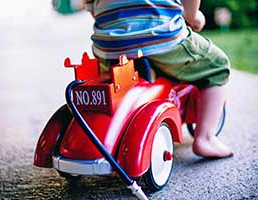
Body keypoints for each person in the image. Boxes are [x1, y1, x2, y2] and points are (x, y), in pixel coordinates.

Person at [84, 0, 233, 158]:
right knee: (218, 65)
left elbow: (90, 4)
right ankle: (206, 138)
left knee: (119, 83)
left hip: (109, 44)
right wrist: (193, 16)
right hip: (160, 36)